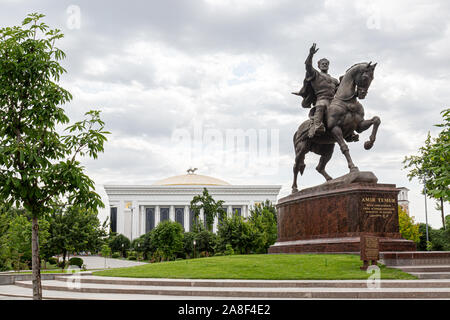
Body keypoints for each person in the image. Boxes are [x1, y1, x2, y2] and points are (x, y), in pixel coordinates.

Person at [292, 43, 340, 138]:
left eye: (326, 64)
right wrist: (311, 54)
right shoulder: (315, 74)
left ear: (328, 66)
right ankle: (316, 126)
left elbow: (341, 91)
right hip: (322, 99)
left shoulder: (335, 80)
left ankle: (350, 133)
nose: (324, 65)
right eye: (322, 64)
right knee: (322, 104)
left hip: (333, 101)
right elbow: (308, 66)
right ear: (319, 66)